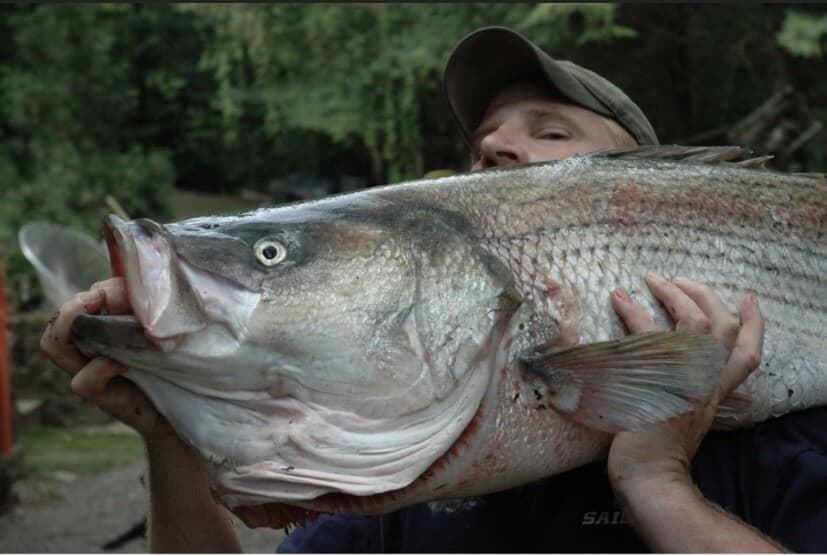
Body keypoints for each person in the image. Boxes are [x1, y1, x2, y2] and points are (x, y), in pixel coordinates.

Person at [40, 26, 825, 553]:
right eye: (483, 144)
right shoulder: (410, 465)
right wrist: (169, 434)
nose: (493, 144)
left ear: (631, 195)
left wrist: (658, 482)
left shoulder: (778, 447)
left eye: (548, 132)